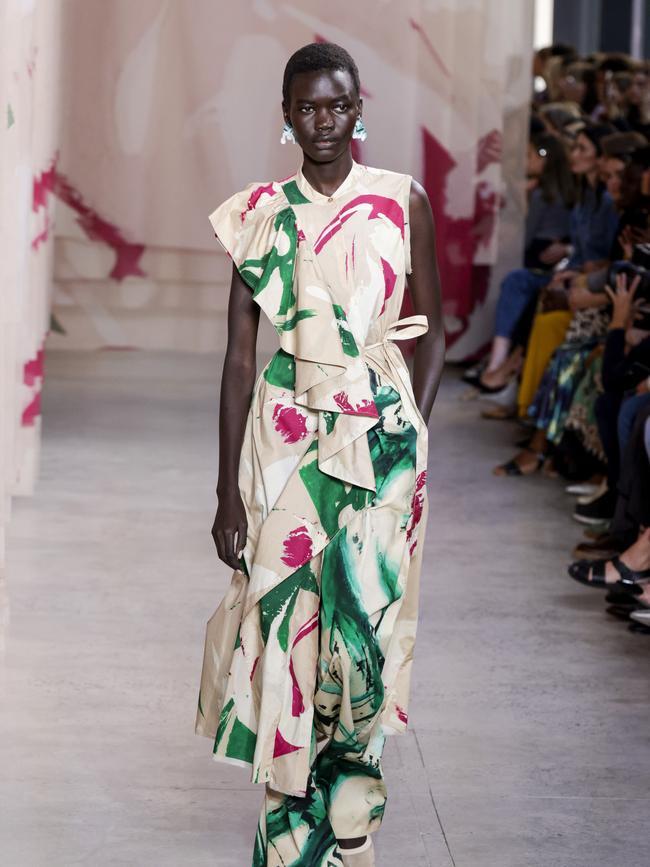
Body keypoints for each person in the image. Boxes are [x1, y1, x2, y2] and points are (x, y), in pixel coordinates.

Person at [195, 42, 445, 867]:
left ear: (357, 106)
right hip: (285, 443)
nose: (323, 121)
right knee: (287, 626)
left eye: (336, 105)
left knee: (363, 636)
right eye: (306, 107)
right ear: (285, 113)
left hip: (382, 443)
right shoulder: (260, 211)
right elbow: (239, 355)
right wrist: (227, 492)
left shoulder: (400, 200)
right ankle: (288, 837)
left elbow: (436, 330)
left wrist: (410, 430)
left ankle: (351, 835)